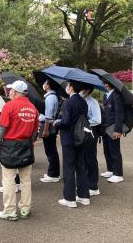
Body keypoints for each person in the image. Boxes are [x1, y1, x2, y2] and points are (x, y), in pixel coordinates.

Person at [0, 80, 39, 221]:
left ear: (15, 92)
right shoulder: (33, 109)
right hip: (26, 145)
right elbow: (34, 132)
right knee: (26, 180)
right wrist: (29, 143)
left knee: (9, 179)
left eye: (11, 90)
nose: (9, 92)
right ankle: (25, 209)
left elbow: (2, 128)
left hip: (10, 146)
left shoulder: (9, 106)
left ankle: (10, 211)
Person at [55, 80, 89, 208]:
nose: (66, 87)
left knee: (69, 167)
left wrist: (57, 123)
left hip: (69, 138)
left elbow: (66, 122)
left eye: (68, 85)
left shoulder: (68, 102)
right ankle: (84, 196)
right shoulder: (83, 102)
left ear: (71, 87)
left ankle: (70, 198)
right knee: (81, 165)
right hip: (81, 137)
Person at [100, 81, 125, 183]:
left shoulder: (117, 95)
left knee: (114, 150)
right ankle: (110, 170)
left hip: (113, 127)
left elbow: (119, 113)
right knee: (107, 149)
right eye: (104, 84)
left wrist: (118, 130)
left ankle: (118, 174)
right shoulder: (106, 95)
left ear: (112, 84)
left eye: (107, 84)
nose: (105, 85)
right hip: (106, 127)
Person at [80, 85, 102, 196]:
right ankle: (87, 183)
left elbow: (97, 119)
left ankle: (93, 186)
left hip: (91, 132)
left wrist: (84, 123)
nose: (80, 90)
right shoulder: (81, 100)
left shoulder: (92, 102)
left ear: (87, 90)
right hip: (84, 132)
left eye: (82, 88)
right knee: (84, 158)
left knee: (91, 158)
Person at [39, 79, 61, 183]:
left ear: (48, 85)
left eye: (45, 82)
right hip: (50, 124)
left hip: (49, 125)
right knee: (51, 149)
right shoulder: (51, 96)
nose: (44, 84)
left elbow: (48, 115)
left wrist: (46, 129)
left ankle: (53, 174)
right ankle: (53, 172)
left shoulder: (50, 97)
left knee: (50, 150)